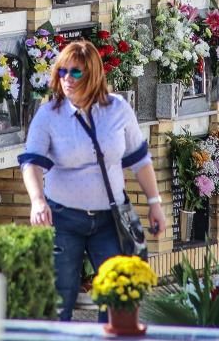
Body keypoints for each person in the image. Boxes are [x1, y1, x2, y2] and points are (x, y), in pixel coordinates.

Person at [18, 40, 165, 321]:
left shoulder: (117, 109)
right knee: (60, 297)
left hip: (109, 219)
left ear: (94, 75)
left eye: (76, 73)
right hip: (63, 217)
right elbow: (32, 162)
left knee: (116, 297)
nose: (67, 79)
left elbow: (139, 159)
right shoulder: (48, 115)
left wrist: (154, 203)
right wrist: (37, 201)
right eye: (63, 71)